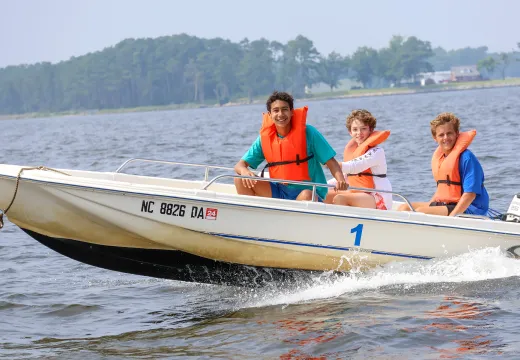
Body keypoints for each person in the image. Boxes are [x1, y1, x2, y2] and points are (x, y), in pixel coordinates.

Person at [234, 91, 347, 202]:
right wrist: (244, 171)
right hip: (279, 189)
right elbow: (239, 165)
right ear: (270, 114)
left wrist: (340, 180)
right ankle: (256, 216)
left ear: (292, 112)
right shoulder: (265, 138)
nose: (280, 114)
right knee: (239, 179)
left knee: (307, 195)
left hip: (308, 192)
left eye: (284, 109)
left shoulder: (309, 133)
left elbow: (331, 162)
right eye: (276, 110)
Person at [398, 112, 489, 216]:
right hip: (449, 204)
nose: (446, 138)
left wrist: (451, 218)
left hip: (470, 207)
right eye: (441, 135)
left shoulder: (467, 158)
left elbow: (470, 195)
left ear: (457, 133)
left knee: (419, 213)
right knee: (404, 208)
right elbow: (443, 189)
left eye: (449, 133)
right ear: (435, 138)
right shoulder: (441, 158)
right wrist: (430, 205)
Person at [325, 109, 393, 210]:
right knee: (322, 194)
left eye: (363, 129)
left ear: (370, 130)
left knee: (340, 198)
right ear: (350, 132)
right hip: (357, 193)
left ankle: (342, 225)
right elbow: (349, 176)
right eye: (355, 129)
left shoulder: (377, 152)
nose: (359, 133)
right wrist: (323, 185)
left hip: (376, 197)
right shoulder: (353, 152)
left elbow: (355, 166)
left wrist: (332, 164)